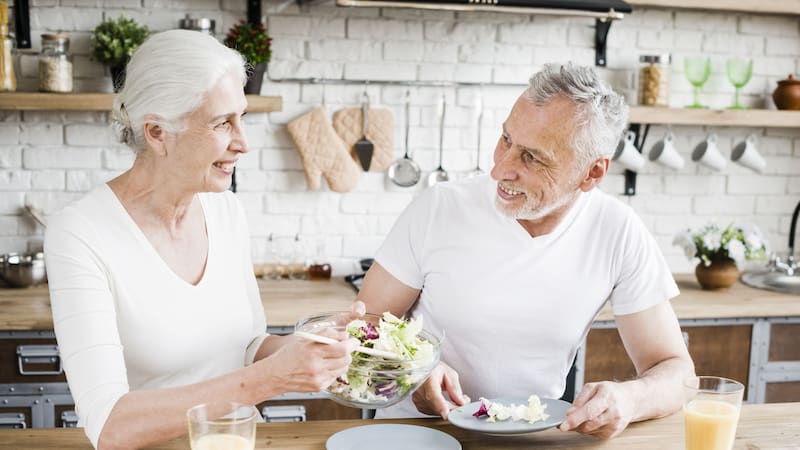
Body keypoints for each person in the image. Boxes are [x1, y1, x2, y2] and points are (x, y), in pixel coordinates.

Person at [44, 30, 359, 450]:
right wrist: (273, 377)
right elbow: (111, 426)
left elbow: (245, 347)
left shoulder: (226, 211)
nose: (243, 142)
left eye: (241, 117)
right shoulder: (81, 233)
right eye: (221, 123)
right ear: (157, 133)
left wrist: (310, 344)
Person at [356, 63, 695, 439]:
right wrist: (411, 372)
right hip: (416, 435)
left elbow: (677, 373)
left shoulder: (617, 231)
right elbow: (359, 328)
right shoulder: (438, 208)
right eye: (505, 139)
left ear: (592, 173)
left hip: (534, 440)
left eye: (532, 157)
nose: (500, 169)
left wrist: (631, 398)